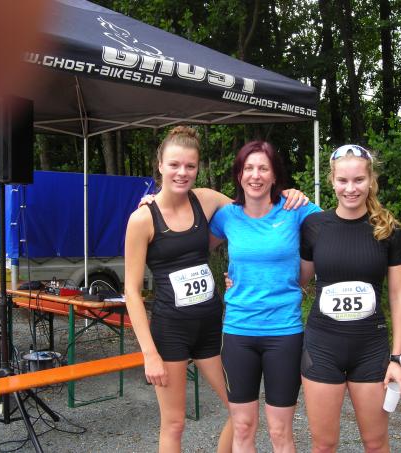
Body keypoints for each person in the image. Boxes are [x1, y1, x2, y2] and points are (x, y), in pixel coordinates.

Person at [123, 127, 307, 453]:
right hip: (171, 330)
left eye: (190, 166)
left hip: (211, 326)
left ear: (198, 168)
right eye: (175, 164)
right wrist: (149, 353)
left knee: (239, 415)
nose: (182, 172)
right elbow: (132, 292)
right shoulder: (142, 219)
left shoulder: (206, 199)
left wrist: (291, 194)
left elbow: (253, 206)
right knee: (174, 422)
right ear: (160, 165)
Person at [209, 140, 321, 453]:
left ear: (274, 176)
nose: (255, 175)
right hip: (238, 332)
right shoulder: (227, 216)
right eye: (249, 168)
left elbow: (337, 226)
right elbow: (186, 241)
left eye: (263, 168)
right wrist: (155, 205)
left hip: (284, 333)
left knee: (280, 430)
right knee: (242, 427)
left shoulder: (294, 210)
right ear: (239, 174)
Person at [299, 144, 401, 453]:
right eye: (343, 181)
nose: (351, 188)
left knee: (375, 444)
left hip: (370, 351)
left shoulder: (387, 230)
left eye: (359, 180)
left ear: (371, 180)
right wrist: (242, 276)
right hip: (322, 348)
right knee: (324, 444)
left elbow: (399, 295)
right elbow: (297, 279)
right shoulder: (314, 226)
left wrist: (398, 359)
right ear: (331, 180)